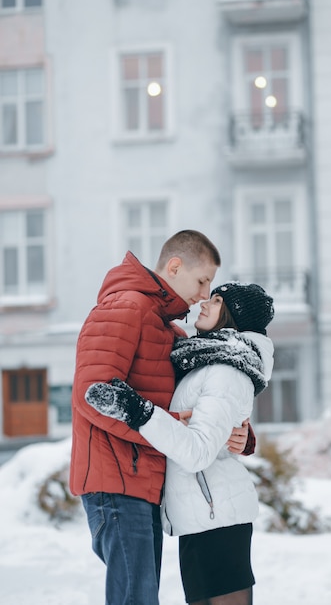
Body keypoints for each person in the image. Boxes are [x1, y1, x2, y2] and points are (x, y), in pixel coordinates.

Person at [69, 231, 254, 605]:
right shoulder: (126, 308)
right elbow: (94, 393)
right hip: (116, 483)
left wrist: (240, 434)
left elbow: (199, 403)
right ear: (175, 266)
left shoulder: (168, 329)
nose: (204, 294)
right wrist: (167, 423)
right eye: (202, 280)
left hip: (144, 483)